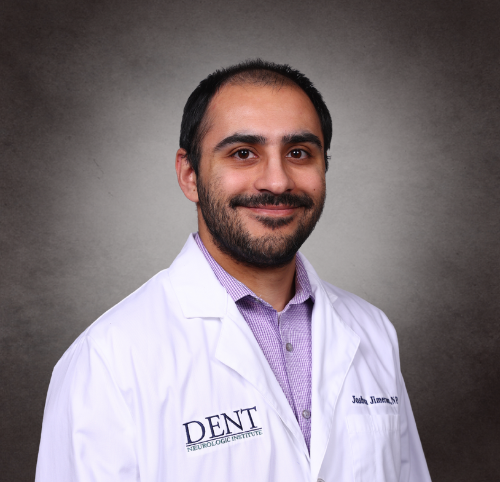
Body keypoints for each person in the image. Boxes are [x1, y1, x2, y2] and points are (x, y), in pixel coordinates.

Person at [35, 59, 432, 482]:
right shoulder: (107, 361)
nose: (277, 182)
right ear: (190, 175)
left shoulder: (373, 331)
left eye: (298, 153)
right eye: (243, 153)